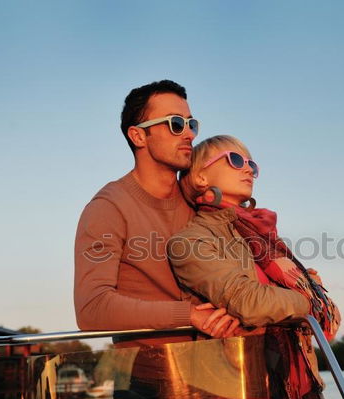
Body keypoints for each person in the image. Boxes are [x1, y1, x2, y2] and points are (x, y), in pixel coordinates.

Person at [167, 134, 344, 399]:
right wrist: (306, 301)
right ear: (201, 176)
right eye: (235, 160)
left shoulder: (261, 236)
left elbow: (315, 305)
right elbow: (248, 302)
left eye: (252, 164)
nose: (247, 169)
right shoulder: (191, 240)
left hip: (302, 386)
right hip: (242, 398)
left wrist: (298, 297)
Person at [73, 80, 239, 337]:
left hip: (223, 364)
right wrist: (189, 315)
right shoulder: (108, 207)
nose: (189, 134)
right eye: (175, 124)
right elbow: (92, 308)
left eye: (191, 124)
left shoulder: (199, 201)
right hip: (153, 370)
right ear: (138, 135)